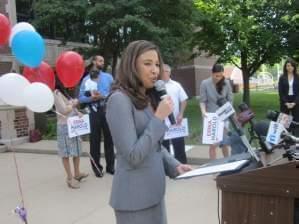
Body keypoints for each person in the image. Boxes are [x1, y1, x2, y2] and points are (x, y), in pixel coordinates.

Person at [105, 40, 192, 224]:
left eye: (157, 64)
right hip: (134, 201)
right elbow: (133, 155)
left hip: (154, 194)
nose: (155, 70)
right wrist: (159, 118)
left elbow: (155, 146)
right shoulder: (119, 100)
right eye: (147, 63)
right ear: (131, 66)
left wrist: (174, 165)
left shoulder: (147, 98)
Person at [79, 55, 115, 177]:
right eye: (100, 60)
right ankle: (97, 168)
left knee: (109, 139)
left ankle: (111, 167)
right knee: (94, 141)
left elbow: (115, 92)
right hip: (93, 112)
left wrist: (103, 96)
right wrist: (91, 98)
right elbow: (81, 98)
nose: (102, 63)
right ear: (94, 62)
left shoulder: (108, 77)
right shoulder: (85, 80)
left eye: (103, 61)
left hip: (107, 111)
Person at [54, 89, 88, 189]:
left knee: (76, 150)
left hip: (73, 124)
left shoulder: (64, 91)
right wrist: (74, 104)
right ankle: (69, 178)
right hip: (64, 126)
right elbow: (63, 110)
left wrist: (78, 113)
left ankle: (77, 173)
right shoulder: (56, 93)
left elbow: (71, 106)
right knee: (66, 153)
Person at [199, 63, 233, 160]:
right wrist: (203, 112)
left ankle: (227, 162)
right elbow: (202, 101)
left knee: (224, 142)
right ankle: (213, 165)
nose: (218, 78)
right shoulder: (204, 83)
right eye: (216, 75)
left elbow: (230, 100)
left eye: (221, 75)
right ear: (212, 73)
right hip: (211, 117)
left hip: (224, 116)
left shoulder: (226, 83)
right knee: (213, 144)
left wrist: (226, 112)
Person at [161, 64, 188, 163]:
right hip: (162, 121)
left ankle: (182, 165)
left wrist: (181, 114)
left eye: (165, 71)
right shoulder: (155, 85)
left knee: (179, 146)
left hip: (175, 121)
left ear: (169, 72)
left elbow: (184, 100)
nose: (163, 73)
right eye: (161, 71)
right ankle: (167, 167)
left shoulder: (176, 85)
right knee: (164, 146)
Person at [278, 58, 299, 135]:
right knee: (283, 123)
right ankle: (283, 139)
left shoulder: (298, 77)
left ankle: (296, 139)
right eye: (287, 66)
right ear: (285, 67)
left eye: (291, 66)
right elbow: (281, 92)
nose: (289, 67)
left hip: (296, 101)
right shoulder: (282, 77)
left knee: (297, 122)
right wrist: (286, 102)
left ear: (294, 67)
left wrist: (294, 103)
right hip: (285, 101)